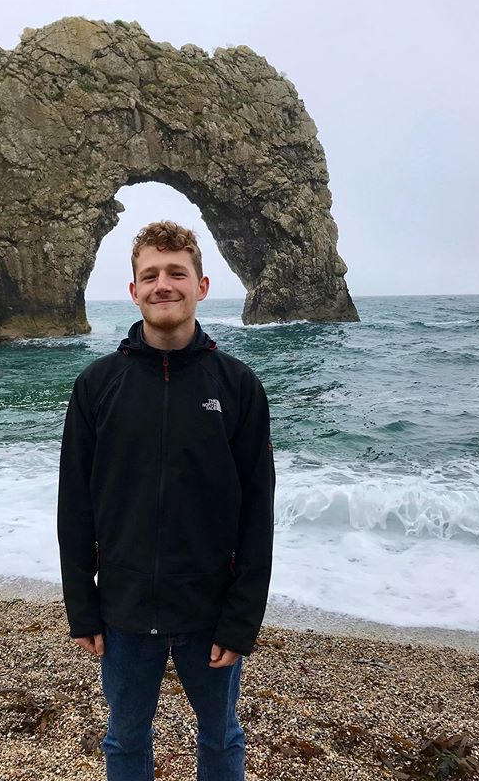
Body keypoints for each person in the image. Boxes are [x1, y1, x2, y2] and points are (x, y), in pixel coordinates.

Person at [57, 220, 275, 781]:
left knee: (221, 738)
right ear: (133, 291)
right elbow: (74, 505)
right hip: (123, 610)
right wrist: (82, 604)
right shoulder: (97, 385)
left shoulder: (239, 386)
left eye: (177, 273)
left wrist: (242, 618)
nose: (163, 284)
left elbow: (258, 512)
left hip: (210, 609)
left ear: (202, 286)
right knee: (125, 740)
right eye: (149, 275)